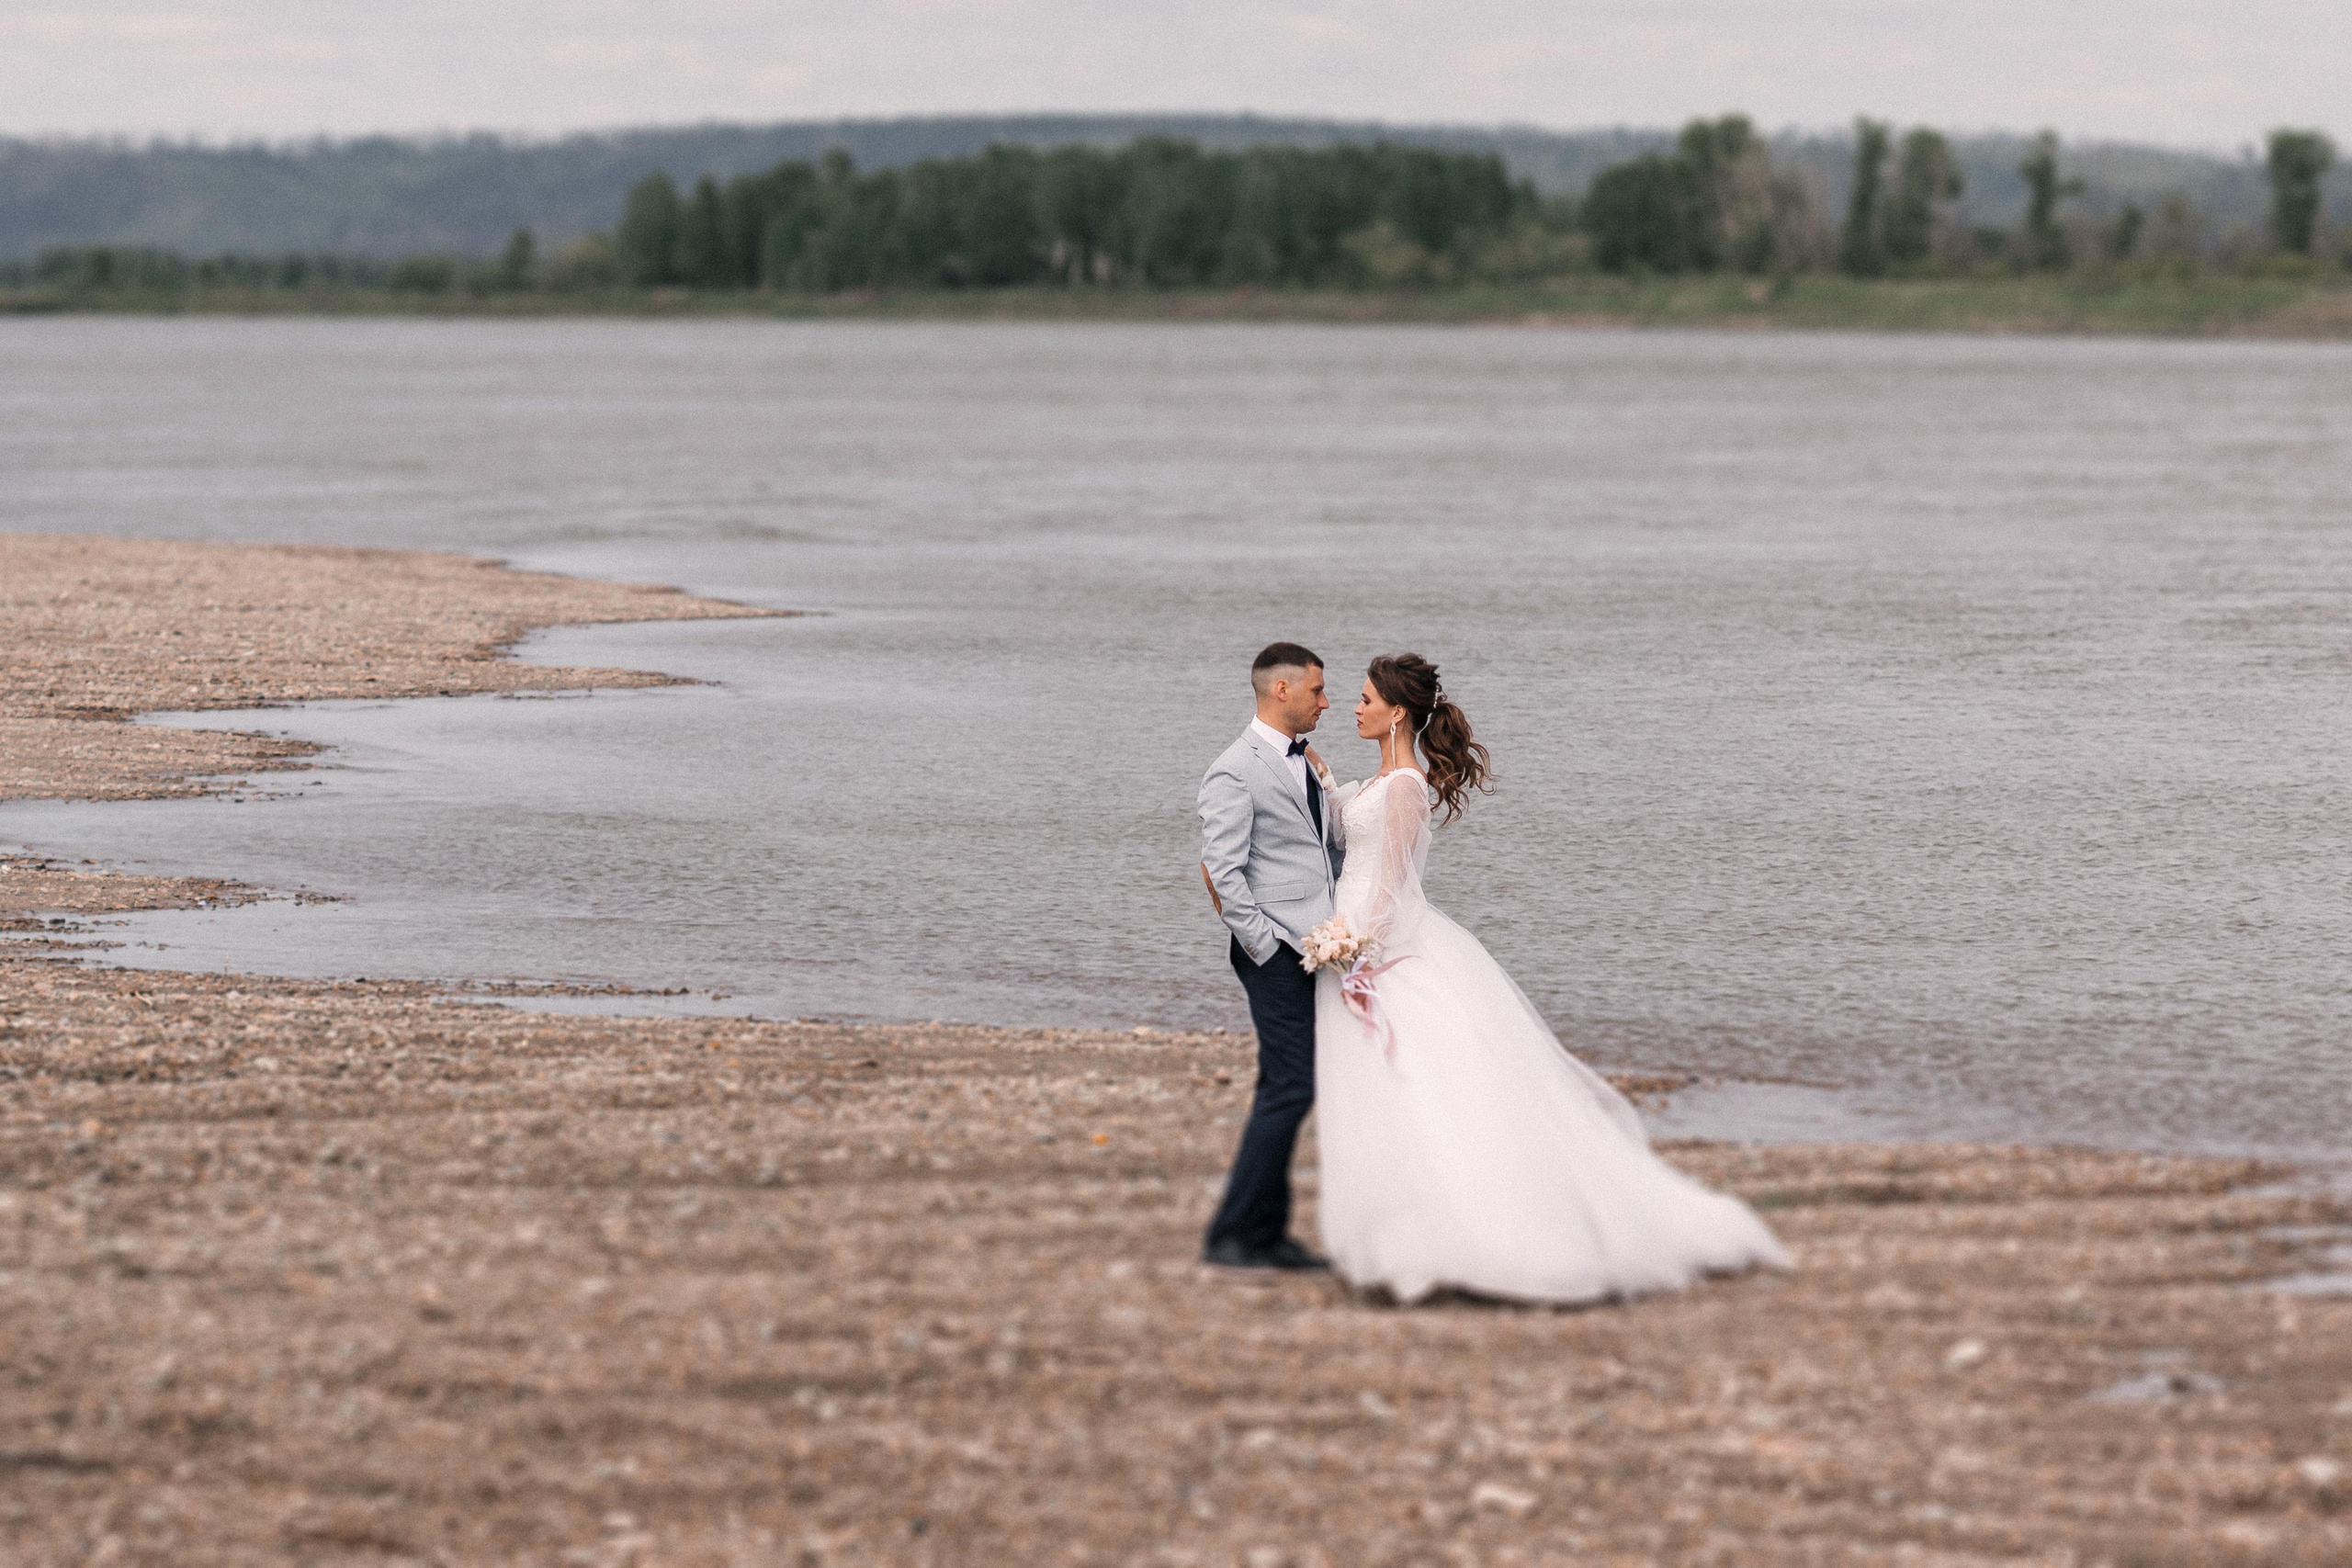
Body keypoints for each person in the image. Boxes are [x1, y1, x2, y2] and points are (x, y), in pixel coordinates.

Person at [1312, 653, 1791, 1303]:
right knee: (1387, 1093)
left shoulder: (1404, 788)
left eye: (1365, 697)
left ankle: (1469, 1232)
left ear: (1397, 710)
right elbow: (1351, 840)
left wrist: (1355, 950)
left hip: (1381, 952)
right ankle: (1403, 1223)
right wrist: (1325, 781)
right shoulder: (1379, 782)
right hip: (1359, 944)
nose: (1355, 705)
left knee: (1427, 1091)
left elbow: (1392, 885)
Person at [1197, 642, 1343, 1270]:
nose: (1325, 700)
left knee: (1281, 1084)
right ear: (1280, 690)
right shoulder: (1234, 769)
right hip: (1274, 951)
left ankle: (1259, 1232)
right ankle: (1238, 1234)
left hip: (1312, 948)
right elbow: (1223, 873)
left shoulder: (1302, 762)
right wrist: (1267, 946)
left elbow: (1318, 851)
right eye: (1316, 689)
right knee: (1294, 1084)